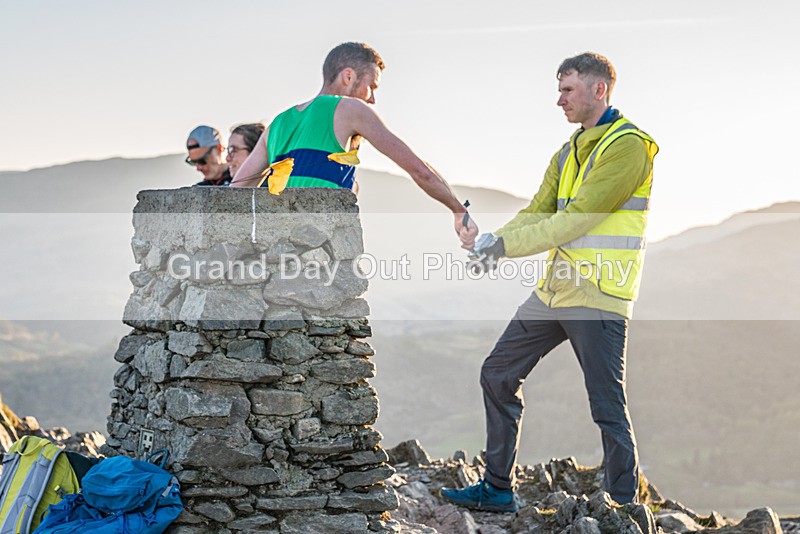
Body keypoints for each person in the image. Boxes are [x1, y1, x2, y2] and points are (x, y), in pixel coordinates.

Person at [442, 52, 659, 511]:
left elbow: (575, 222)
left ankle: (622, 508)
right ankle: (498, 489)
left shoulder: (628, 147)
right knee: (497, 373)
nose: (558, 100)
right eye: (559, 90)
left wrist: (501, 248)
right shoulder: (568, 150)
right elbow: (539, 212)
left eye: (567, 90)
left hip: (599, 294)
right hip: (554, 291)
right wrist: (490, 242)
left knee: (606, 405)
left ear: (600, 90)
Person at [231, 42, 477, 244]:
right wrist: (458, 210)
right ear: (348, 76)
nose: (372, 98)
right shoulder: (349, 108)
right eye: (371, 86)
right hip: (318, 247)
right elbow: (419, 170)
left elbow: (237, 189)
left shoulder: (278, 123)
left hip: (275, 248)